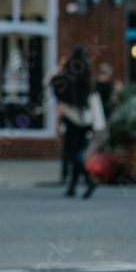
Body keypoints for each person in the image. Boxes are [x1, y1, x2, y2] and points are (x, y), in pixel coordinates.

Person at [48, 45, 97, 199]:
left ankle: (88, 180)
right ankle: (72, 187)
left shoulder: (69, 70)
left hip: (72, 117)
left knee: (72, 154)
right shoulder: (87, 72)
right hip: (86, 118)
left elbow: (52, 82)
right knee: (78, 153)